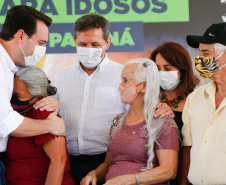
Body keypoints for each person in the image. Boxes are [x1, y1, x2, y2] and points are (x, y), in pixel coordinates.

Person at [45, 13, 174, 184]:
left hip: (107, 161)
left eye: (95, 44)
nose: (89, 49)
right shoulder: (61, 77)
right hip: (67, 161)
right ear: (74, 41)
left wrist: (163, 107)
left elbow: (145, 108)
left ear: (107, 42)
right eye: (83, 44)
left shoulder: (123, 74)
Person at [81, 58, 179, 185]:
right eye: (121, 80)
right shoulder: (118, 121)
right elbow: (108, 163)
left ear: (144, 86)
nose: (120, 86)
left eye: (126, 80)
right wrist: (94, 174)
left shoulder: (161, 121)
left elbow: (169, 170)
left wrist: (130, 180)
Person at [0, 5, 65, 184]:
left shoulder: (13, 68)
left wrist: (51, 101)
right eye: (41, 43)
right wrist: (51, 126)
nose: (42, 50)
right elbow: (4, 122)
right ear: (20, 36)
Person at [5, 66, 75, 185]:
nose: (12, 100)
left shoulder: (43, 114)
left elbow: (59, 160)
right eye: (11, 93)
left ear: (39, 98)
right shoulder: (14, 113)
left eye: (18, 96)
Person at [181, 22, 226, 185]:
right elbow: (187, 148)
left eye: (206, 53)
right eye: (199, 53)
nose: (200, 59)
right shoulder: (195, 97)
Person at [150, 42, 199, 185]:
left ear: (182, 69)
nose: (161, 73)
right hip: (151, 172)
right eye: (157, 68)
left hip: (187, 174)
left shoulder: (196, 100)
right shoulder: (148, 99)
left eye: (168, 68)